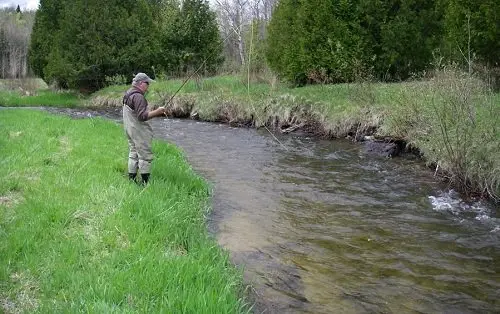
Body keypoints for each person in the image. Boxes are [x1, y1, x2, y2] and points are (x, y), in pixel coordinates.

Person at [122, 72, 166, 185]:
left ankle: (131, 181)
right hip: (138, 131)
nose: (148, 86)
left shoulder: (128, 93)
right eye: (147, 83)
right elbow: (142, 117)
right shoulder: (138, 97)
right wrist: (158, 112)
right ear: (141, 83)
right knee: (145, 156)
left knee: (133, 153)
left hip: (129, 130)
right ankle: (145, 184)